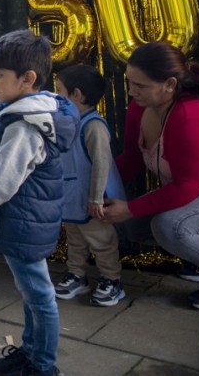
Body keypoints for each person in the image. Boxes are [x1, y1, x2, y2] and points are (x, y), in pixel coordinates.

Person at [0, 30, 77, 376]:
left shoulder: (25, 125)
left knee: (39, 297)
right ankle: (29, 352)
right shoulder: (15, 113)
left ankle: (42, 366)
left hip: (24, 222)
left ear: (28, 79)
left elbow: (2, 180)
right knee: (31, 294)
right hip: (21, 221)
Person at [103, 41, 199, 311]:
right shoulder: (139, 107)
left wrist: (131, 208)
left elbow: (187, 188)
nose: (132, 91)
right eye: (130, 82)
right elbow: (132, 159)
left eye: (141, 85)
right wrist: (97, 186)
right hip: (194, 197)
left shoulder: (193, 116)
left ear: (169, 84)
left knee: (170, 227)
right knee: (129, 225)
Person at [54, 64, 126, 307]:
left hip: (93, 199)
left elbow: (101, 164)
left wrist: (95, 198)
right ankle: (77, 274)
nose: (56, 97)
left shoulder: (93, 126)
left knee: (101, 240)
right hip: (72, 196)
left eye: (59, 91)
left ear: (77, 95)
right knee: (75, 238)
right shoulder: (69, 123)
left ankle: (111, 279)